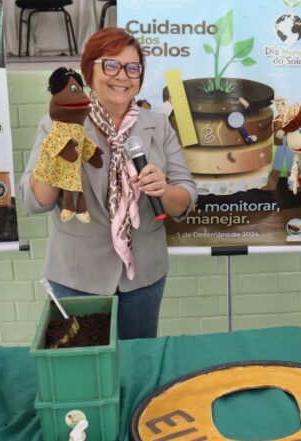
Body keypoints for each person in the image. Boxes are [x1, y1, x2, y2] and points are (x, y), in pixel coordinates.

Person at [17, 28, 197, 339]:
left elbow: (186, 199)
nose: (122, 77)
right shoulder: (60, 124)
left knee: (138, 365)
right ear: (89, 71)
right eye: (110, 65)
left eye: (132, 68)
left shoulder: (157, 125)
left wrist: (164, 189)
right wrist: (57, 152)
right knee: (80, 367)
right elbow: (36, 201)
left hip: (143, 277)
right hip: (76, 276)